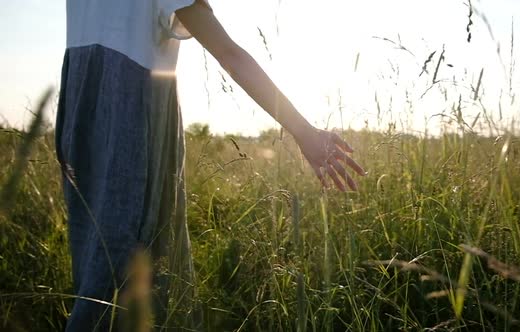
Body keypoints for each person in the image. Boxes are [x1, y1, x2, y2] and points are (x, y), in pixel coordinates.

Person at [55, 0, 365, 330]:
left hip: (79, 103)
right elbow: (229, 55)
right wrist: (304, 132)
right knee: (130, 271)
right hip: (130, 108)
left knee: (96, 266)